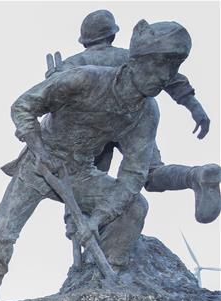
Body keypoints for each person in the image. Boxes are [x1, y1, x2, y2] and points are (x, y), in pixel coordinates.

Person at [0, 21, 196, 301]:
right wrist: (38, 146)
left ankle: (98, 278)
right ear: (135, 60)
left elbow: (133, 175)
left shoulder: (146, 114)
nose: (166, 76)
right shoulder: (83, 79)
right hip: (38, 165)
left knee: (135, 207)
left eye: (173, 67)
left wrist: (96, 219)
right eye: (159, 65)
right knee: (2, 230)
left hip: (80, 173)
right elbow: (23, 106)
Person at [45, 10, 219, 224]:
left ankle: (86, 228)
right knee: (151, 173)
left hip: (94, 129)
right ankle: (195, 176)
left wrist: (53, 78)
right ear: (112, 35)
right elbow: (173, 79)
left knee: (87, 181)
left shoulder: (74, 63)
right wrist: (195, 107)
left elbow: (51, 98)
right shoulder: (134, 56)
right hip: (138, 119)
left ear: (85, 40)